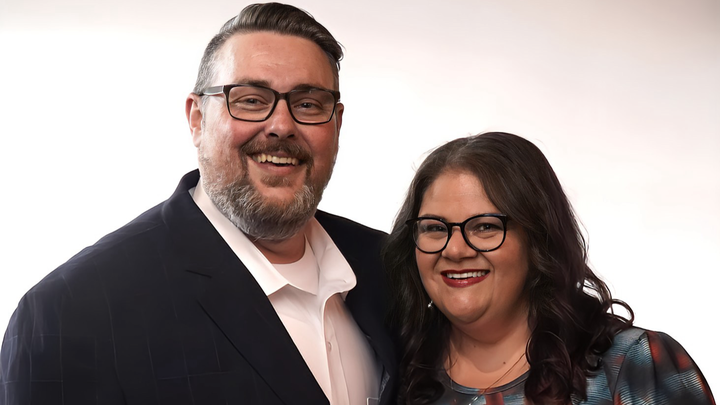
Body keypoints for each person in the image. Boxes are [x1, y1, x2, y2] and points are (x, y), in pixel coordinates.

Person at [0, 3, 396, 404]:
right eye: (250, 100)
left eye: (308, 104)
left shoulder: (392, 267)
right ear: (196, 119)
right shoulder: (70, 313)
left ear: (337, 124)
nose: (281, 126)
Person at [384, 132, 715, 405]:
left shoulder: (631, 364)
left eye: (485, 227)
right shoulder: (394, 371)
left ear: (538, 238)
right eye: (434, 228)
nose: (455, 250)